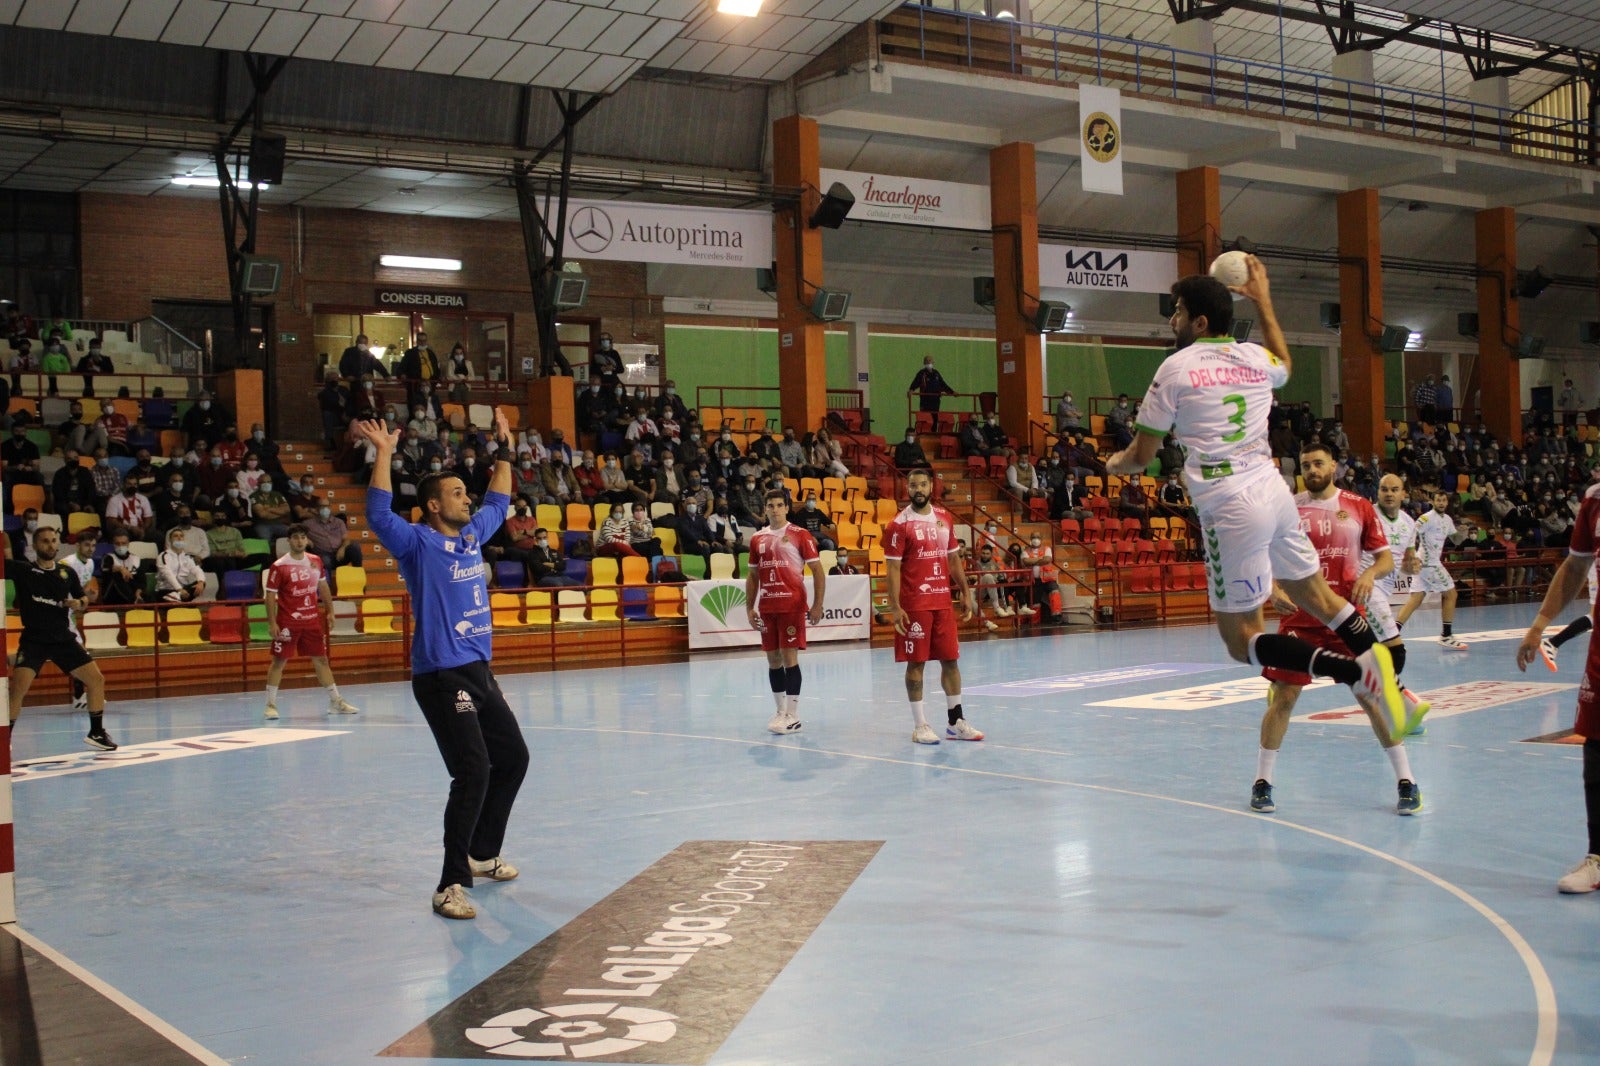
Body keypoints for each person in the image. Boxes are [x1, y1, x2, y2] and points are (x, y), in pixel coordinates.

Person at [1103, 258, 1406, 734]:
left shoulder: (1175, 368)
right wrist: (1264, 300)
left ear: (1200, 322)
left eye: (1178, 312)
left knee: (1241, 639)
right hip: (1275, 490)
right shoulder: (1253, 358)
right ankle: (1384, 673)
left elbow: (1141, 456)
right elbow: (1286, 364)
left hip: (1230, 504)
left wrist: (1115, 463)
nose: (1172, 319)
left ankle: (1354, 671)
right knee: (1322, 598)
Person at [358, 410, 528, 922]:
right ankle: (450, 884)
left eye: (464, 491)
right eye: (456, 492)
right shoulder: (417, 543)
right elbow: (378, 515)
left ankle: (480, 854)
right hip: (440, 675)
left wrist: (504, 448)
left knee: (513, 759)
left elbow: (499, 497)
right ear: (433, 505)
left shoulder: (474, 534)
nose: (466, 497)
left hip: (479, 669)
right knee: (472, 772)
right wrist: (384, 454)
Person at [1251, 444, 1426, 816]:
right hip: (1300, 619)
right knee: (1284, 697)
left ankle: (1406, 781)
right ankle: (1263, 782)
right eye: (1305, 465)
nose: (1312, 469)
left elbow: (1384, 558)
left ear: (1334, 466)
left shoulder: (1359, 506)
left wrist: (1368, 574)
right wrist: (1274, 589)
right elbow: (1262, 556)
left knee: (1370, 697)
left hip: (1346, 617)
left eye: (1318, 463)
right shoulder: (1288, 508)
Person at [1516, 474, 1600, 892]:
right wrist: (1540, 624)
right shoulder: (1594, 501)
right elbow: (1575, 566)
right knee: (1597, 745)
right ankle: (1598, 857)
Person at [884, 467, 983, 744]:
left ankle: (956, 722)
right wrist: (895, 607)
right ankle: (920, 726)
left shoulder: (943, 518)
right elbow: (892, 569)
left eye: (923, 485)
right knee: (916, 664)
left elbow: (953, 559)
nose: (918, 489)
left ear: (931, 487)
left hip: (942, 602)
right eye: (913, 485)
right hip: (914, 604)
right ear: (908, 489)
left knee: (950, 661)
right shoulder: (899, 524)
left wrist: (965, 591)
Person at [8, 526, 116, 750]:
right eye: (45, 541)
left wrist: (79, 603)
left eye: (54, 541)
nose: (50, 545)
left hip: (62, 639)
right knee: (18, 689)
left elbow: (83, 599)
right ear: (35, 546)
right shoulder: (23, 570)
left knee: (96, 680)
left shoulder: (66, 573)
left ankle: (96, 733)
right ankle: (3, 740)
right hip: (34, 640)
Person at [744, 489, 825, 735]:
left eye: (780, 505)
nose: (775, 509)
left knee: (790, 658)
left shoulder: (800, 535)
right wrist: (750, 607)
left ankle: (794, 715)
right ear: (765, 509)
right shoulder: (757, 538)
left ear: (787, 508)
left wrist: (817, 604)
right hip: (768, 607)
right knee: (773, 659)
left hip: (792, 605)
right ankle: (780, 712)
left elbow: (818, 572)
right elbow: (752, 575)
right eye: (771, 505)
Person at [262, 525, 359, 720]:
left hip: (311, 620)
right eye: (296, 537)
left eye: (303, 537)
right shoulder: (279, 565)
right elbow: (270, 596)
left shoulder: (315, 561)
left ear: (307, 540)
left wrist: (330, 611)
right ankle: (270, 705)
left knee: (322, 660)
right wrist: (272, 623)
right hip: (288, 621)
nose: (299, 541)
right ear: (289, 541)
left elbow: (323, 586)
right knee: (279, 662)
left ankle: (335, 701)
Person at [1394, 489, 1468, 649]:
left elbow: (1454, 540)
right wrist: (1410, 554)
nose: (1441, 503)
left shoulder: (1447, 519)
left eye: (1443, 500)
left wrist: (1462, 534)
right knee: (1451, 594)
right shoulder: (1426, 518)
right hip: (1428, 564)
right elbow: (1411, 532)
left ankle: (1392, 632)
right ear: (1433, 502)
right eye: (1438, 500)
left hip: (1428, 565)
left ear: (1447, 503)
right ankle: (1446, 636)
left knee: (1415, 599)